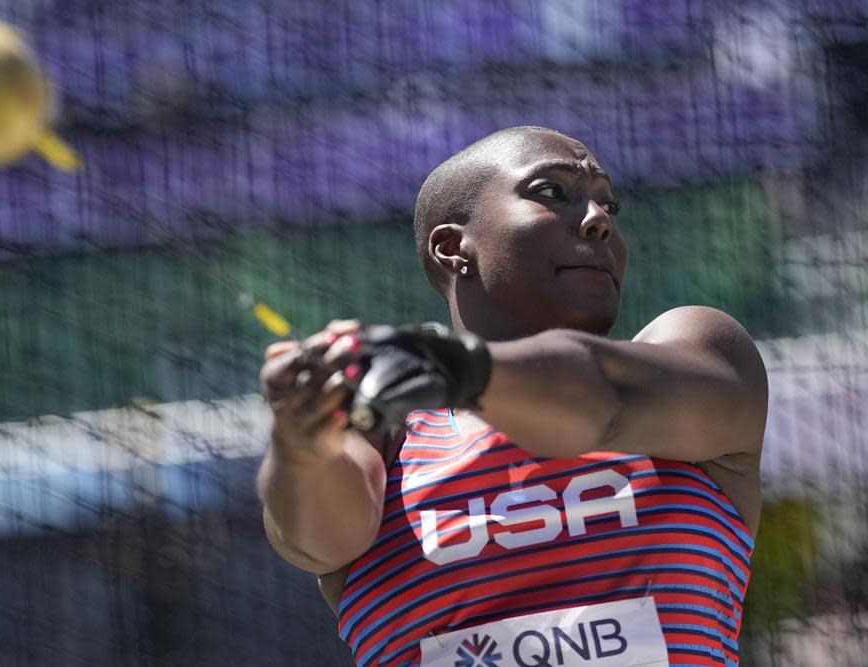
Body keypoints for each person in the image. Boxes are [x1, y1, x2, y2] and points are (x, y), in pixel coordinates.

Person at [257, 126, 767, 667]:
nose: (599, 219)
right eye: (552, 193)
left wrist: (456, 367)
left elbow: (602, 401)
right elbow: (312, 540)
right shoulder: (386, 437)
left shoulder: (696, 353)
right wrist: (301, 439)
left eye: (607, 203)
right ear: (453, 246)